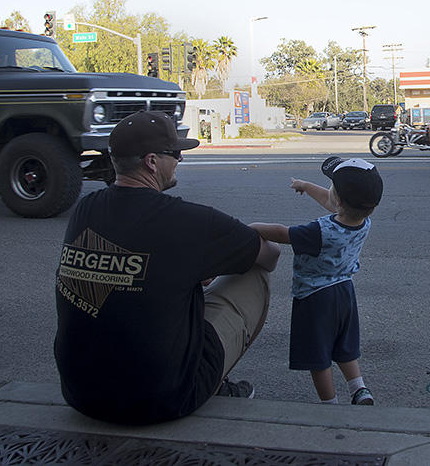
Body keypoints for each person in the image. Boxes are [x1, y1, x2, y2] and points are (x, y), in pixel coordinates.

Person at [54, 110, 281, 425]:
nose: (180, 161)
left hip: (81, 394)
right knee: (254, 274)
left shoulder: (85, 209)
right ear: (151, 162)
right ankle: (213, 382)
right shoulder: (187, 220)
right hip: (163, 399)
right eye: (175, 153)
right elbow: (269, 255)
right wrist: (252, 231)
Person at [249, 156, 383, 406]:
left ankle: (329, 405)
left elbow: (280, 233)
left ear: (340, 199)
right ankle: (359, 388)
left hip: (315, 298)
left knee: (318, 357)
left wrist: (251, 227)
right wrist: (306, 185)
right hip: (344, 292)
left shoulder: (319, 232)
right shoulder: (363, 221)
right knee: (344, 346)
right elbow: (333, 203)